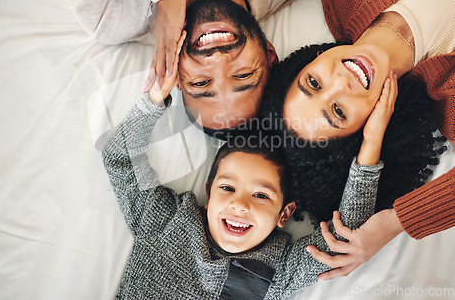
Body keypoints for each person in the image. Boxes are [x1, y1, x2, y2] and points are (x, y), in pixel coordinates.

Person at [101, 33, 396, 299]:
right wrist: (156, 98)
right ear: (208, 191)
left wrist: (371, 140)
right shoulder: (165, 220)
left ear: (285, 213)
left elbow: (347, 238)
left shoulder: (279, 269)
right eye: (227, 187)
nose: (239, 205)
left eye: (261, 195)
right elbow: (120, 158)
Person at [261, 0, 455, 279]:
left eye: (314, 82)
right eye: (338, 111)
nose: (341, 81)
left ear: (311, 60)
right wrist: (397, 221)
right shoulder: (446, 97)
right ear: (366, 128)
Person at [25, 0, 323, 130]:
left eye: (201, 82)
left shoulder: (113, 17)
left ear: (177, 77)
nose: (218, 61)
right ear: (269, 54)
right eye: (243, 75)